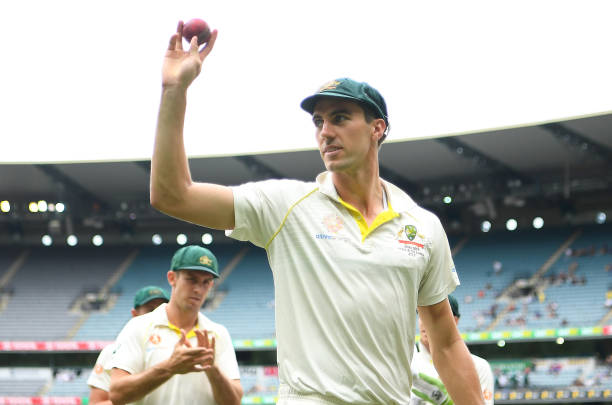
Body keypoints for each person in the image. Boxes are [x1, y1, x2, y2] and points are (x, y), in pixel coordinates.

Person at [149, 21, 483, 404]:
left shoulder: (421, 226)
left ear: (378, 128)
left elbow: (444, 340)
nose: (325, 131)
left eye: (340, 118)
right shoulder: (285, 206)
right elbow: (172, 195)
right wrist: (174, 90)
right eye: (318, 121)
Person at [109, 245, 242, 405]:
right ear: (172, 278)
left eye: (206, 282)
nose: (198, 289)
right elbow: (117, 394)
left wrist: (213, 369)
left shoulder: (218, 333)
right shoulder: (138, 326)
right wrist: (170, 367)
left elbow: (234, 402)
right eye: (191, 279)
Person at [87, 286, 170, 404]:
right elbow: (96, 403)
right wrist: (128, 395)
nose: (156, 315)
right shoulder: (111, 352)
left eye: (163, 310)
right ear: (134, 314)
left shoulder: (178, 350)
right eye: (150, 310)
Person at [411, 295, 494, 405]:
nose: (425, 322)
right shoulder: (409, 363)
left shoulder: (479, 366)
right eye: (421, 315)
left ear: (455, 321)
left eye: (435, 317)